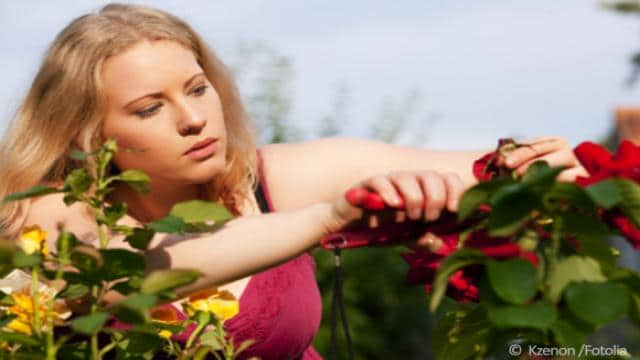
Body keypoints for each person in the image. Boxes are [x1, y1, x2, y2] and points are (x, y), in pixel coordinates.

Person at [0, 4, 586, 359]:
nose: (194, 119)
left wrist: (534, 167)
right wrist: (326, 218)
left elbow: (489, 173)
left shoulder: (264, 179)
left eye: (198, 88)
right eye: (150, 108)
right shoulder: (35, 217)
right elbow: (134, 276)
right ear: (84, 136)